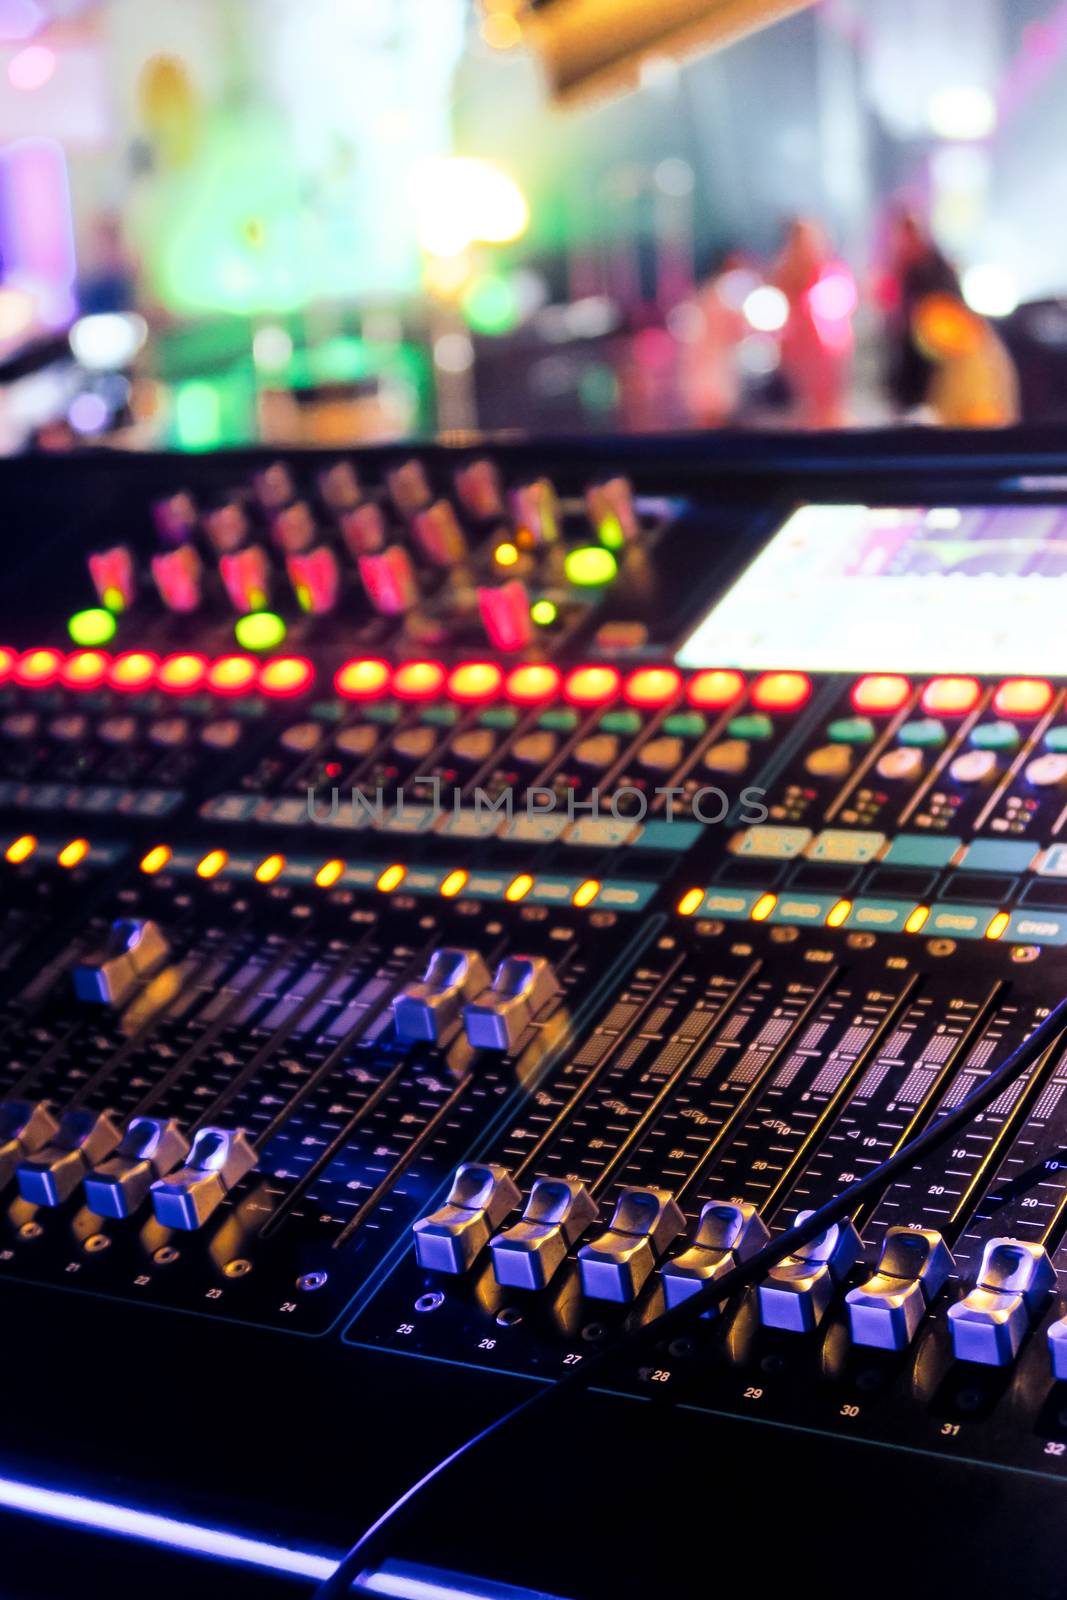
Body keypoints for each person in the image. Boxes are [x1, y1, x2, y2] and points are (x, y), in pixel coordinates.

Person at [772, 218, 854, 428]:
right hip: (800, 348)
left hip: (828, 349)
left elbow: (842, 304)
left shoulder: (831, 273)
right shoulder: (785, 275)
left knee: (829, 405)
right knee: (807, 407)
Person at [881, 210, 960, 415]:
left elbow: (946, 324)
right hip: (909, 371)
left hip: (936, 371)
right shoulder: (903, 272)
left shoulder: (938, 272)